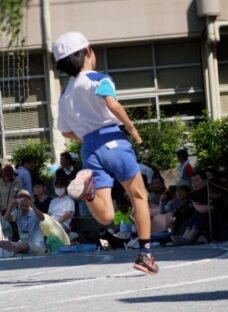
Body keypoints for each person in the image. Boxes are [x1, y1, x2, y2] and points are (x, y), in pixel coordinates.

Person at [53, 32, 158, 274]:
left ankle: (88, 193)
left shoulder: (65, 95)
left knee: (106, 215)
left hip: (89, 148)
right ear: (88, 52)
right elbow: (112, 104)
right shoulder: (99, 79)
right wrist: (131, 128)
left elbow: (66, 131)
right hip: (113, 139)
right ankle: (145, 255)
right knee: (139, 196)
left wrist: (88, 137)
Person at [0, 190, 46, 255]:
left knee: (21, 246)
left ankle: (14, 251)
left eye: (25, 199)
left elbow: (42, 218)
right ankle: (14, 250)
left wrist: (31, 204)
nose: (23, 202)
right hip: (23, 243)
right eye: (20, 199)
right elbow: (6, 218)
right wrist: (11, 205)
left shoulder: (34, 212)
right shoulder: (17, 212)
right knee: (2, 243)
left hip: (37, 245)